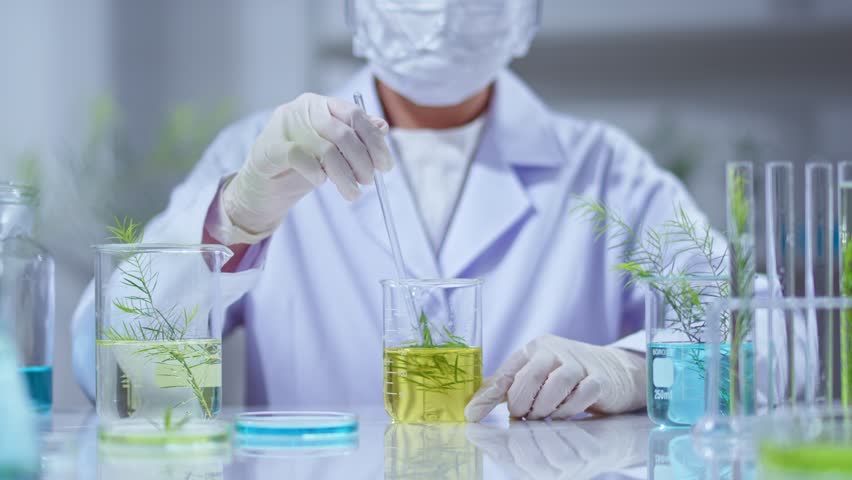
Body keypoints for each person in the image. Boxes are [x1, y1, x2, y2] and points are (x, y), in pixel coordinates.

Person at [72, 0, 710, 421]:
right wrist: (236, 219)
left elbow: (764, 336)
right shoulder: (260, 156)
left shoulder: (605, 171)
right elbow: (112, 372)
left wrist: (633, 369)